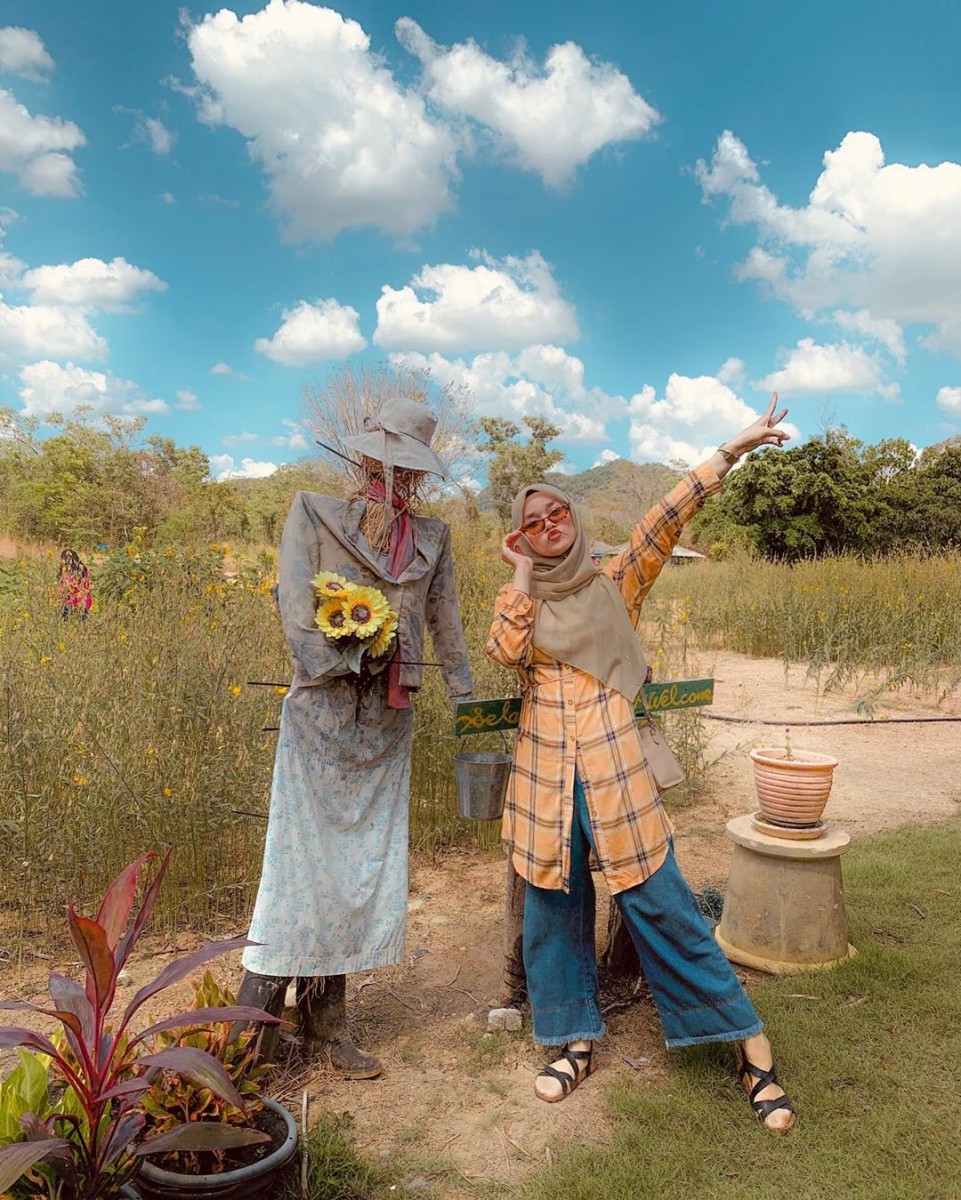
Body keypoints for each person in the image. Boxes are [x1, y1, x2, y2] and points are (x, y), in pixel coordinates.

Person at [486, 394, 797, 1132]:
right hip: (545, 786)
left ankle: (748, 1043)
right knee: (553, 913)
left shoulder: (614, 580)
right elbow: (503, 650)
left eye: (555, 515)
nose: (547, 528)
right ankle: (571, 1039)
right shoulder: (521, 596)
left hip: (616, 780)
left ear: (573, 517)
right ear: (519, 537)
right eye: (531, 523)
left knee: (660, 904)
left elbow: (665, 516)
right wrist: (520, 575)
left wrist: (734, 447)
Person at [237, 398, 474, 1078]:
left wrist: (464, 696)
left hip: (387, 726)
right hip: (320, 716)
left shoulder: (433, 535)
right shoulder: (314, 513)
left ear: (421, 476)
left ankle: (328, 1023)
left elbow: (445, 615)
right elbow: (292, 603)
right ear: (366, 458)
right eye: (387, 463)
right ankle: (253, 1032)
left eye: (409, 470)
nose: (396, 479)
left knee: (360, 870)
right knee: (298, 867)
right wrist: (346, 657)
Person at [57, 549, 92, 621]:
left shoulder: (68, 573)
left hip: (71, 602)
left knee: (65, 626)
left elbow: (66, 588)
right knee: (81, 628)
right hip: (84, 602)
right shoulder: (83, 569)